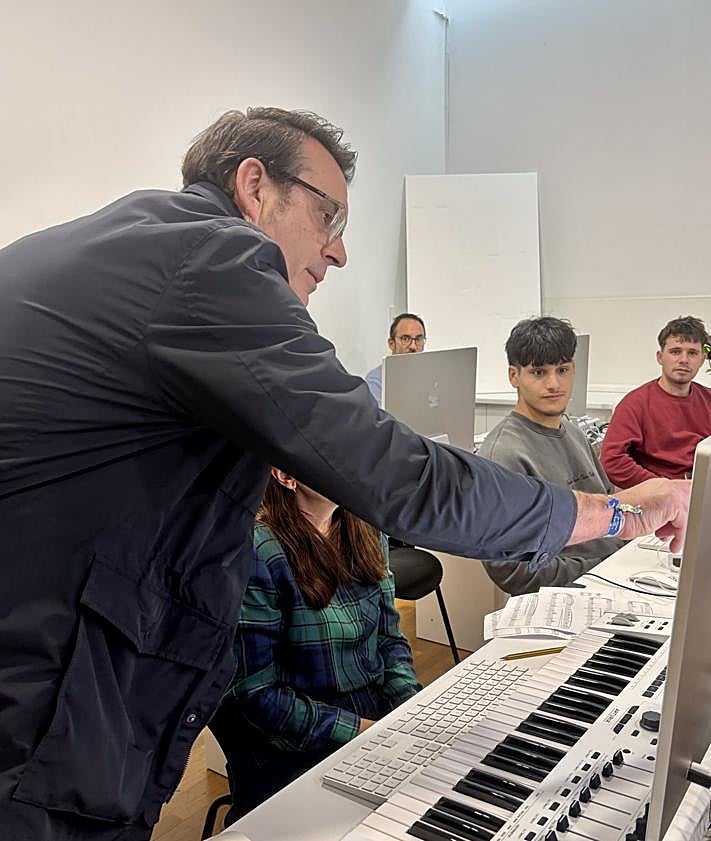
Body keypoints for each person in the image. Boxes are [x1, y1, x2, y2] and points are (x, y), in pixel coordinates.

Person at [0, 106, 689, 841]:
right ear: (254, 185)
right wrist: (618, 513)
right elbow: (398, 475)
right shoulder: (209, 256)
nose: (339, 253)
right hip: (42, 703)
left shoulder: (127, 247)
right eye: (327, 217)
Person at [209, 469, 420, 822]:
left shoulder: (365, 525)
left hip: (367, 711)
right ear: (285, 475)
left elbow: (389, 638)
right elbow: (256, 696)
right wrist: (364, 732)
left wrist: (410, 705)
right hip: (290, 735)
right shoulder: (257, 550)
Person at [478, 317, 625, 594]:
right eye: (538, 372)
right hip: (572, 591)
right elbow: (513, 572)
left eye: (562, 369)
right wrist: (602, 568)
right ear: (514, 376)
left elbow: (608, 509)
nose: (554, 383)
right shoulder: (503, 455)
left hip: (613, 574)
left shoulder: (574, 432)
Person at [601, 315, 711, 488]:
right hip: (657, 497)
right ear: (660, 357)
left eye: (692, 353)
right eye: (675, 351)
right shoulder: (635, 404)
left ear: (702, 360)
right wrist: (665, 487)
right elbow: (612, 461)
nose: (683, 360)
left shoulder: (708, 399)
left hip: (701, 491)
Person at [365, 312, 427, 405]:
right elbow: (378, 417)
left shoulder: (431, 376)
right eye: (405, 339)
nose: (413, 346)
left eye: (418, 339)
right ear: (391, 344)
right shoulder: (377, 379)